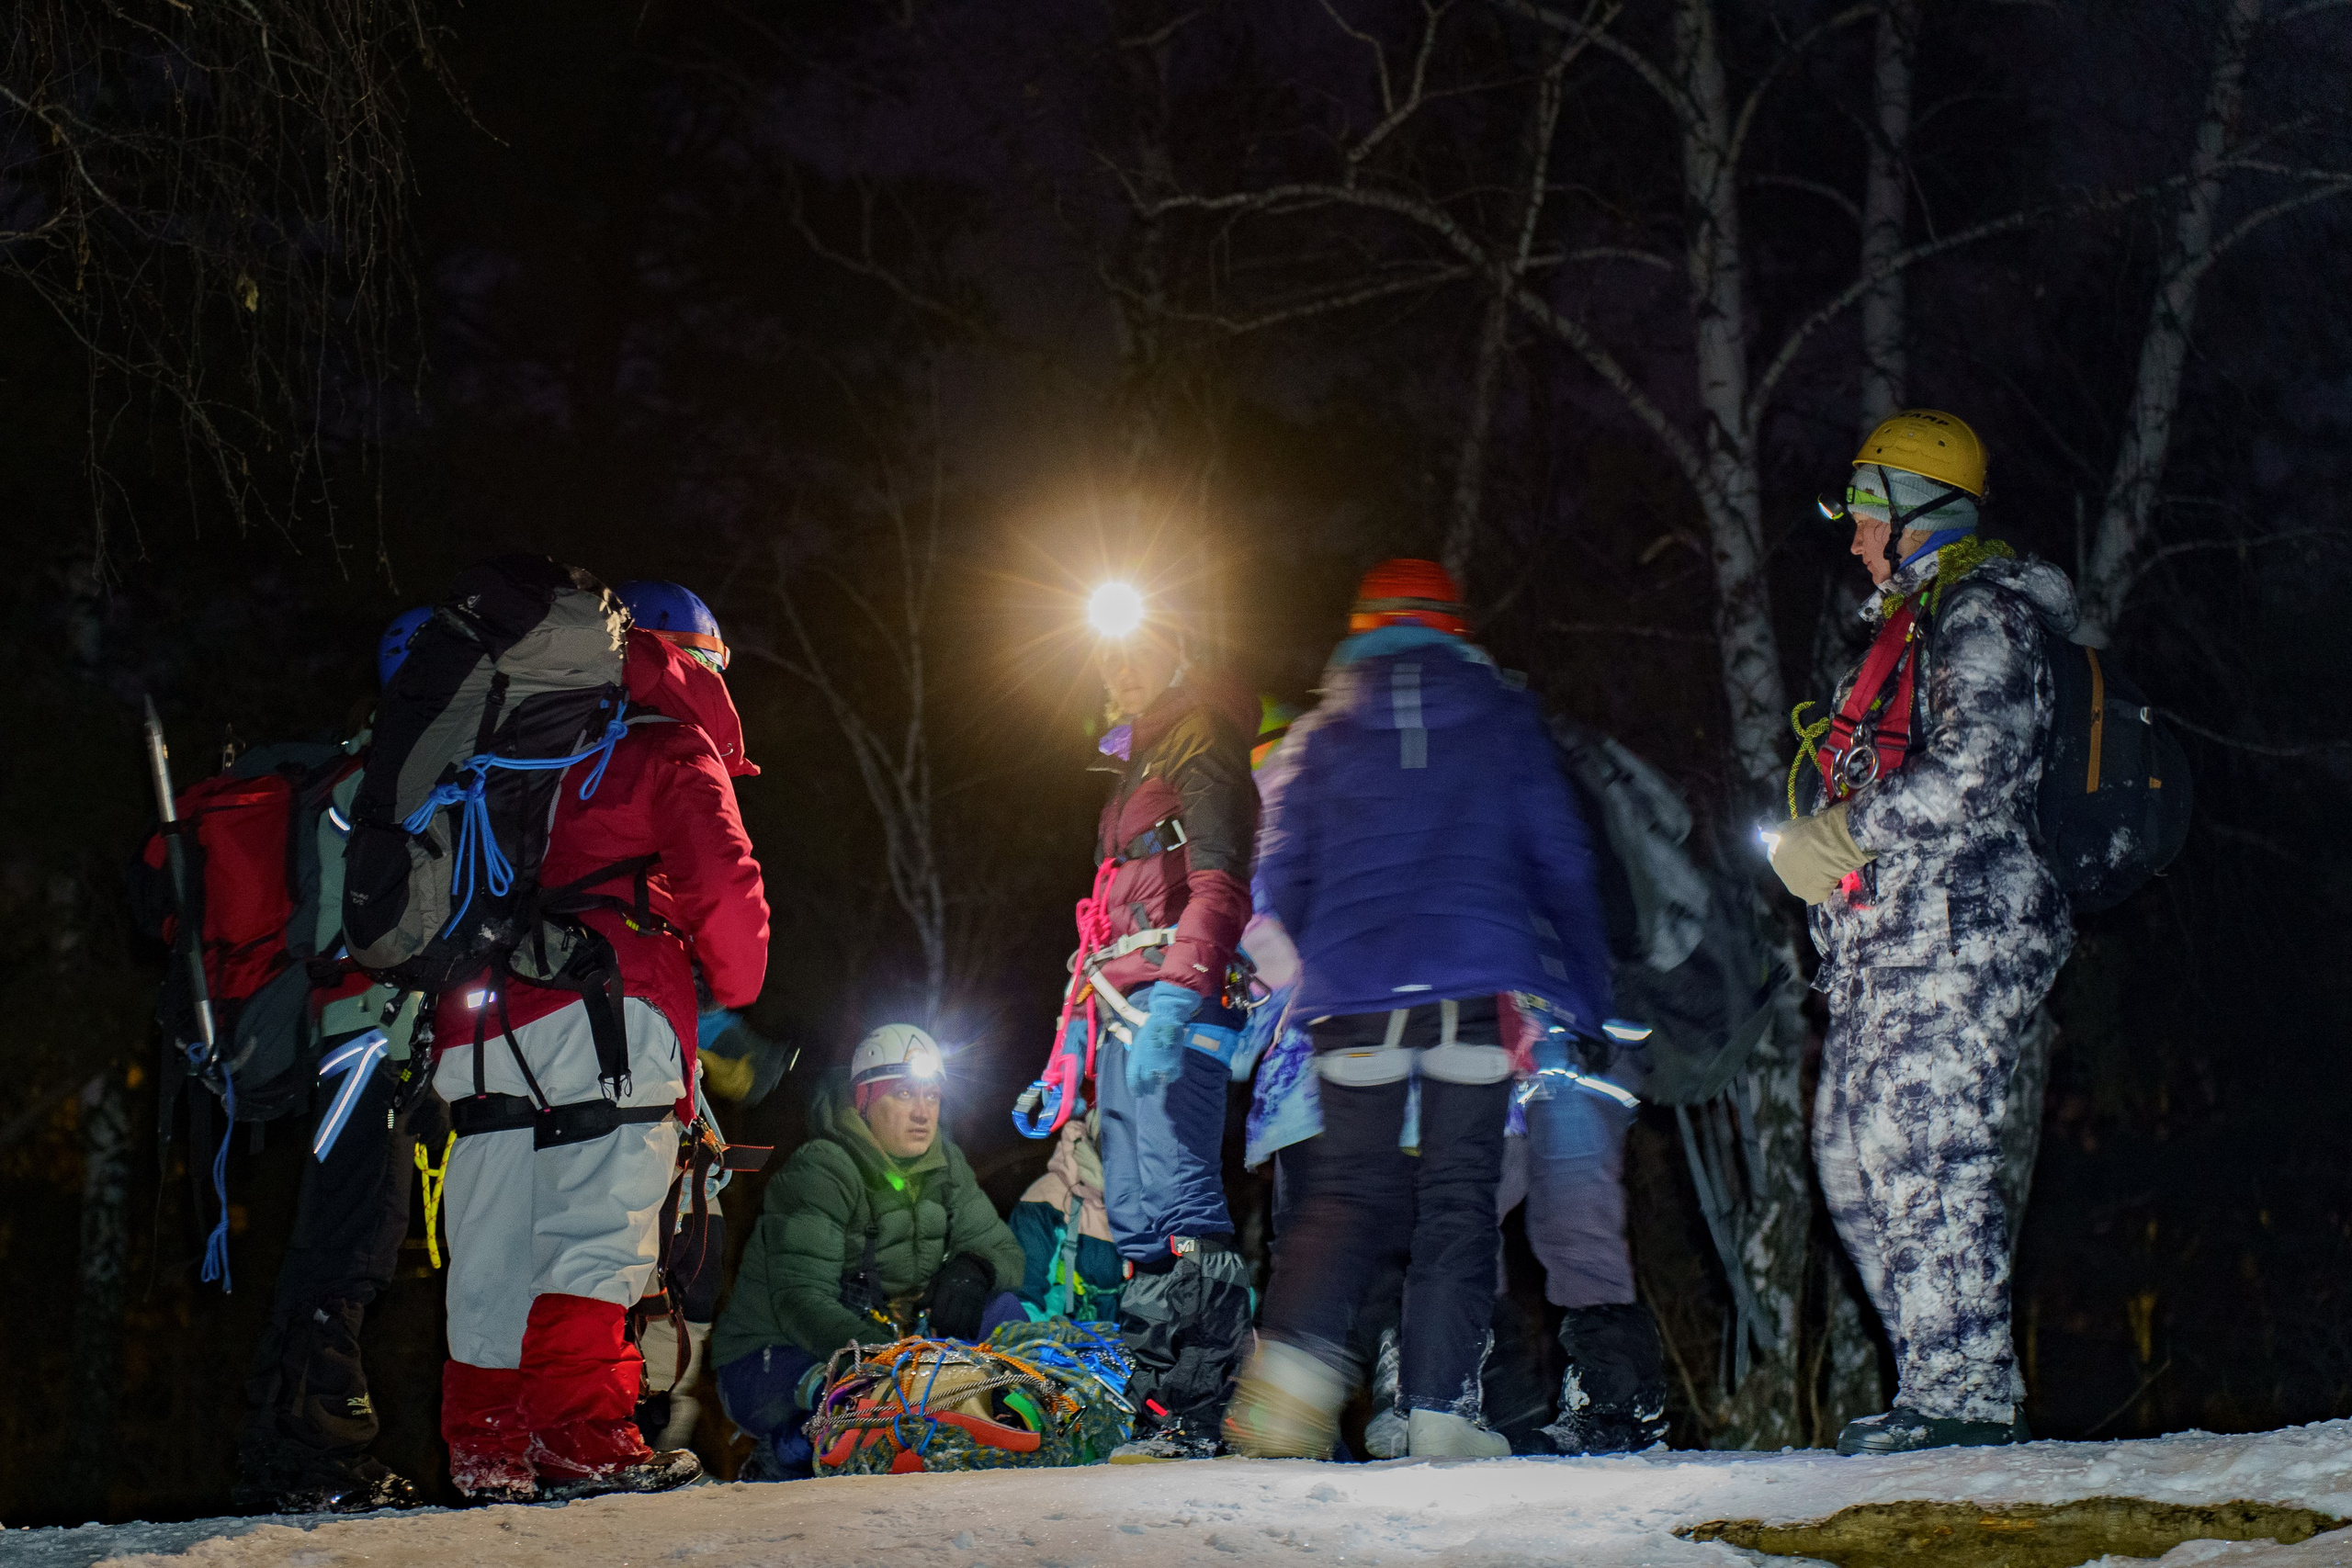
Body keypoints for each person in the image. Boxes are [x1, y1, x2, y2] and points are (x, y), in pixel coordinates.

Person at [1227, 558, 1612, 1461]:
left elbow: (1278, 872)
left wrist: (1330, 952)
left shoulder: (1323, 732)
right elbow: (1560, 860)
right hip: (1465, 997)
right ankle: (1440, 1412)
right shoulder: (1504, 719)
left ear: (1364, 628)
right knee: (1455, 1196)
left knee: (1347, 1189)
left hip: (1352, 1000)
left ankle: (1285, 1394)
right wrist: (1584, 993)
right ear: (1454, 629)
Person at [1767, 410, 2075, 1455]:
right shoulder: (1913, 625)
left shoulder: (1981, 614)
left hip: (1960, 933)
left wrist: (1845, 832)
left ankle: (1964, 1395)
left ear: (1920, 517)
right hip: (1891, 941)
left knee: (1925, 1150)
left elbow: (1976, 773)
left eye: (1866, 515)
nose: (1854, 537)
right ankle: (1943, 1374)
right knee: (1851, 1160)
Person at [433, 579, 770, 1503]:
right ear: (686, 657)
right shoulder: (667, 744)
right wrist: (738, 985)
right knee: (598, 1230)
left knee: (494, 1231)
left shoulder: (500, 742)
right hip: (609, 1009)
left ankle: (486, 1442)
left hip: (479, 1012)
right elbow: (723, 888)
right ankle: (579, 1433)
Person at [1035, 590, 1260, 1461]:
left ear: (1175, 650)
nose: (1116, 670)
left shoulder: (1201, 742)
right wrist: (1076, 1030)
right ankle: (1158, 1398)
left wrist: (1180, 989)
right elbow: (1110, 904)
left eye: (1134, 650)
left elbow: (1220, 883)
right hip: (1121, 1000)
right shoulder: (1138, 761)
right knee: (1128, 1207)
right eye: (1106, 657)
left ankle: (1197, 1407)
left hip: (1175, 998)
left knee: (1179, 1196)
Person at [231, 608, 440, 1514]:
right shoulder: (384, 781)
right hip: (364, 1046)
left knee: (331, 1242)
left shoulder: (354, 771)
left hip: (344, 1041)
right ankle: (321, 1456)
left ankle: (282, 1451)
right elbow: (381, 928)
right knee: (353, 1245)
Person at [710, 1024, 1029, 1479]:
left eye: (932, 1097)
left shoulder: (946, 1165)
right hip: (773, 1358)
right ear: (865, 1100)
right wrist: (891, 1364)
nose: (922, 1113)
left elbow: (1003, 1249)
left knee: (1002, 1306)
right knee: (861, 1398)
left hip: (889, 1349)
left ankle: (1011, 1413)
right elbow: (800, 1298)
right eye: (903, 1094)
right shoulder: (823, 1169)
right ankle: (790, 1454)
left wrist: (973, 1267)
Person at [1010, 1116, 1126, 1323]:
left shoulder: (1158, 1202)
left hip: (1133, 1348)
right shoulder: (1046, 1201)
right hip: (1065, 1348)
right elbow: (1025, 1299)